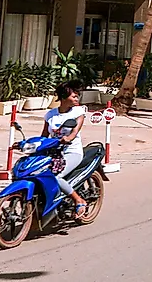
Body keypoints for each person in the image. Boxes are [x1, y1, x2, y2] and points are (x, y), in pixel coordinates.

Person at [42, 81, 92, 217]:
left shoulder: (78, 112)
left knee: (55, 176)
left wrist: (68, 138)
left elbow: (74, 132)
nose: (77, 99)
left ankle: (79, 200)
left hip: (72, 152)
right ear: (64, 97)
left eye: (77, 96)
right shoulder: (50, 115)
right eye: (74, 96)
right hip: (54, 153)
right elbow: (43, 136)